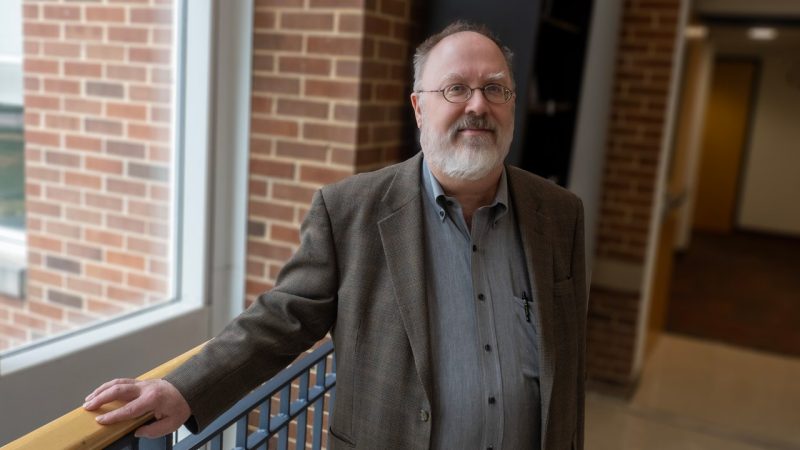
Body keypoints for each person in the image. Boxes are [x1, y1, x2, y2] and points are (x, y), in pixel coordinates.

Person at [84, 20, 587, 450]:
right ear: (418, 108)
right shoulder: (350, 212)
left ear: (512, 104)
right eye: (456, 88)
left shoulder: (560, 216)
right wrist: (184, 388)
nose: (478, 105)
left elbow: (566, 368)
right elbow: (283, 319)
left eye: (495, 89)